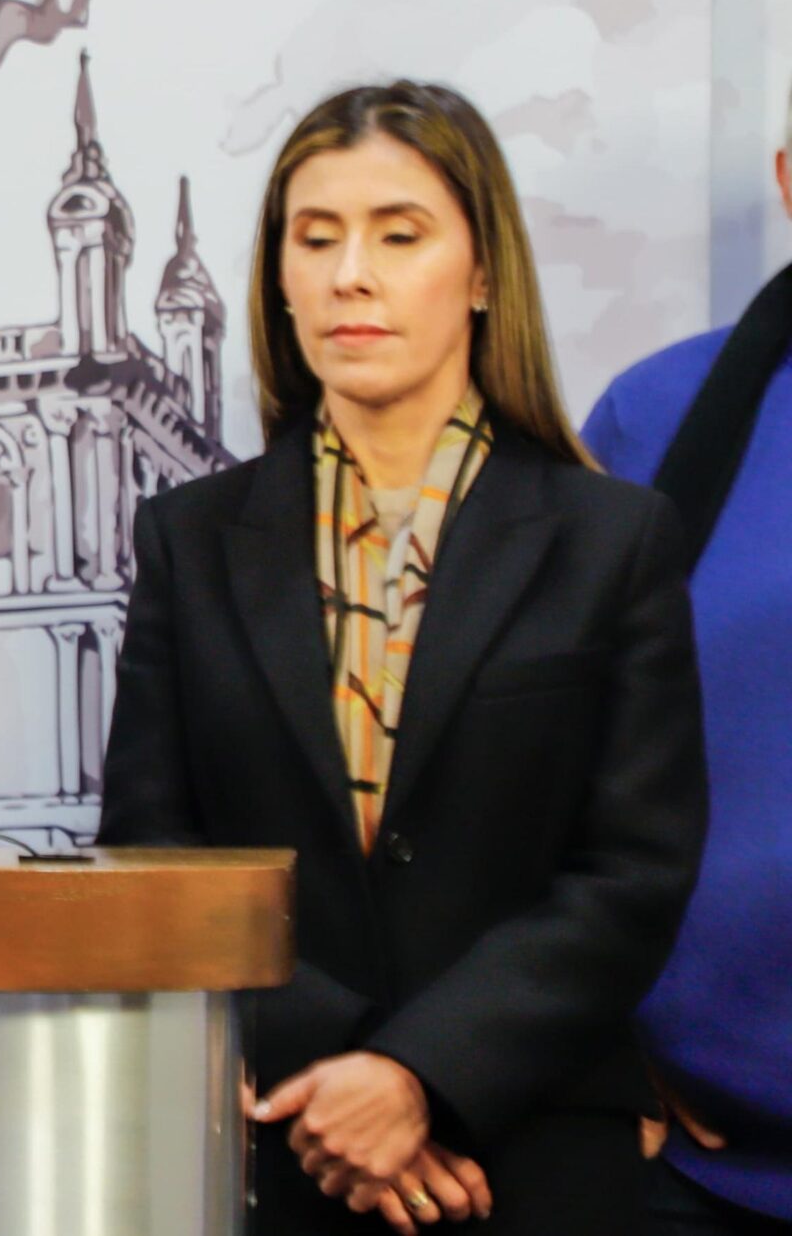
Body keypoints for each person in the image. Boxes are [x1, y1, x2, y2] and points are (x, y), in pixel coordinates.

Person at [98, 80, 705, 1234]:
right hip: (280, 1139)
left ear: (482, 274)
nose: (349, 275)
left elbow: (632, 873)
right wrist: (341, 1074)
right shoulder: (190, 537)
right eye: (313, 237)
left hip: (528, 1147)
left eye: (398, 234)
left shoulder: (608, 538)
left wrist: (423, 1074)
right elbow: (153, 850)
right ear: (278, 275)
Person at [584, 120, 792, 1234]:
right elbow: (533, 746)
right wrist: (597, 1026)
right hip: (699, 1171)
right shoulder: (653, 417)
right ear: (785, 178)